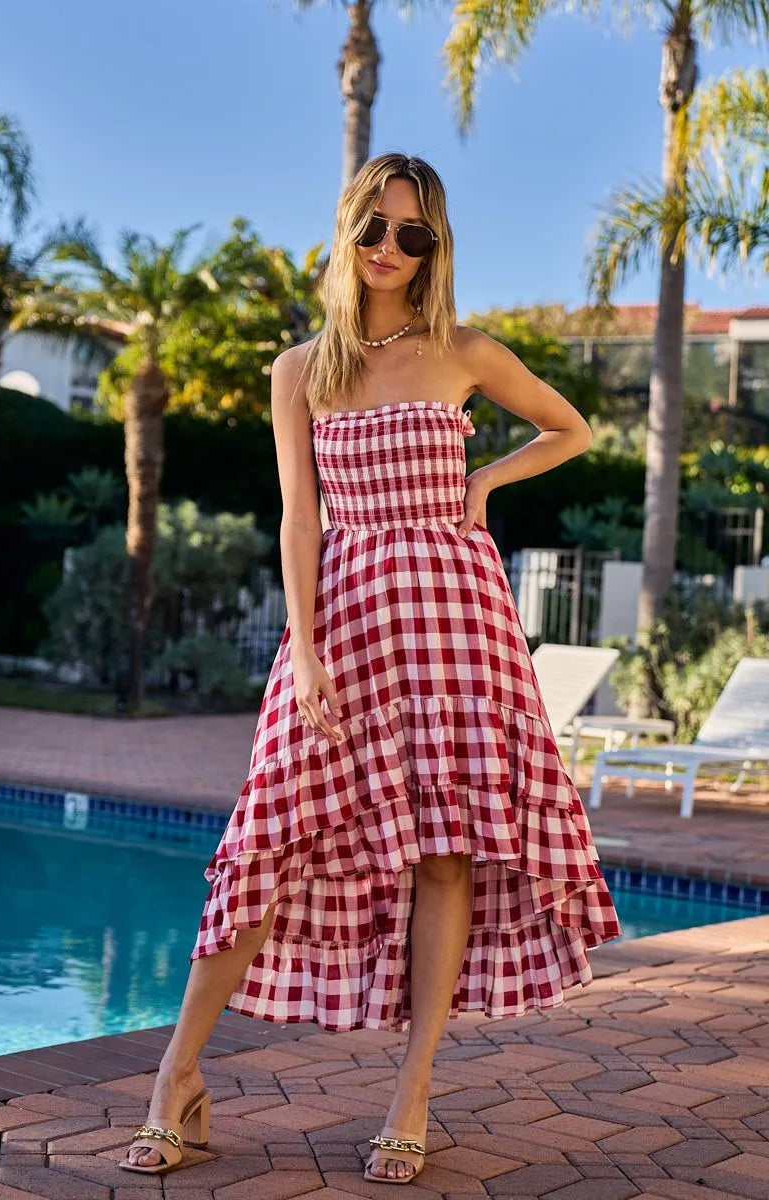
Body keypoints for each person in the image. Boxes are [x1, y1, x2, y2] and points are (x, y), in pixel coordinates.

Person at [120, 151, 621, 1184]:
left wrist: (484, 479)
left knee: (447, 851)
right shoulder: (298, 370)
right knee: (268, 838)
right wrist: (302, 653)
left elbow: (570, 429)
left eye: (413, 234)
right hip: (344, 622)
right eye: (375, 227)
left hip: (456, 621)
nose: (390, 247)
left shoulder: (464, 352)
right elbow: (299, 521)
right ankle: (176, 1075)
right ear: (347, 229)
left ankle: (413, 1090)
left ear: (433, 250)